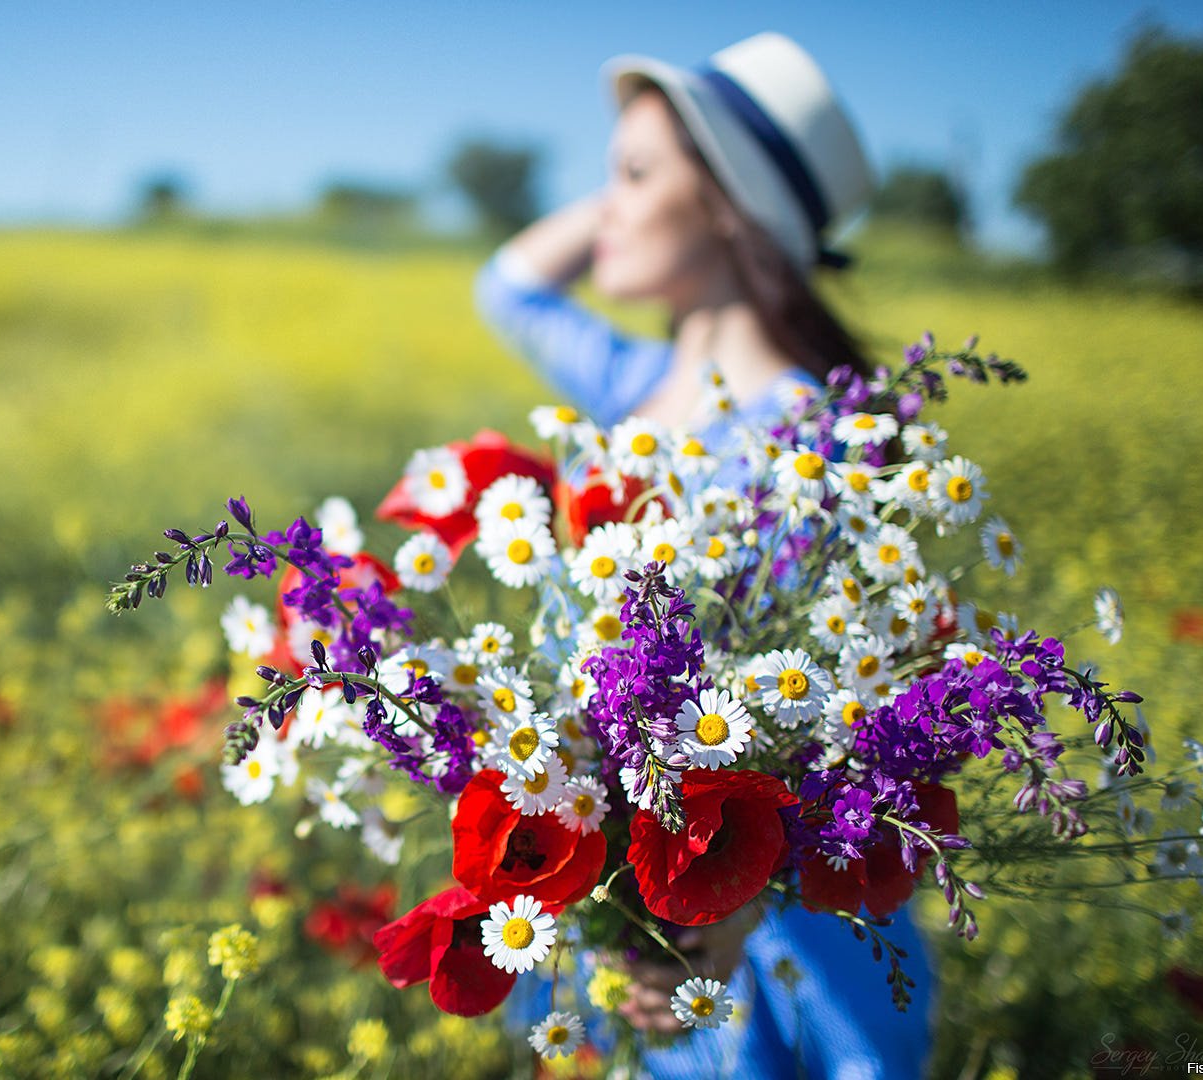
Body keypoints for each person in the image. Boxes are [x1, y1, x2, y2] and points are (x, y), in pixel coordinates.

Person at [475, 32, 936, 1079]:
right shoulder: (632, 388)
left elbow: (825, 715)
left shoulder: (816, 440)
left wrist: (723, 909)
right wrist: (638, 199)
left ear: (726, 205)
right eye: (607, 179)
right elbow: (507, 285)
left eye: (634, 175)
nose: (606, 213)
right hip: (618, 884)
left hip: (743, 925)